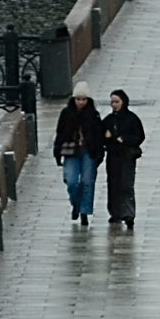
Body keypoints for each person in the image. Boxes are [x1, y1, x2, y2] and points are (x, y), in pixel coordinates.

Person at [53, 90, 105, 227]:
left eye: (84, 99)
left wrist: (99, 154)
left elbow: (99, 136)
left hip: (89, 152)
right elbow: (60, 133)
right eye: (78, 99)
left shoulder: (93, 115)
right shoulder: (66, 113)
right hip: (71, 152)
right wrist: (57, 152)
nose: (81, 102)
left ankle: (84, 212)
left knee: (87, 181)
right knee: (71, 181)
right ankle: (76, 204)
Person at [101, 90, 145, 231]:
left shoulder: (132, 119)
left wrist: (125, 139)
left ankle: (128, 214)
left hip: (126, 157)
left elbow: (139, 136)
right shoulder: (108, 120)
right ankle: (115, 213)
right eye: (112, 102)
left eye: (117, 102)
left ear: (123, 102)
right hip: (113, 156)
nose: (114, 105)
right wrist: (106, 136)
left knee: (126, 185)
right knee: (113, 184)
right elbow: (99, 136)